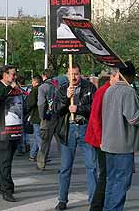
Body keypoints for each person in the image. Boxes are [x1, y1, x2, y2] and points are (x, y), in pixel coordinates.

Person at [54, 64, 97, 210]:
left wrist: (79, 108)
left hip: (85, 128)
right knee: (65, 167)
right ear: (67, 75)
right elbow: (56, 110)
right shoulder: (62, 89)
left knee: (92, 166)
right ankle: (62, 199)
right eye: (71, 74)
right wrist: (66, 98)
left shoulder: (90, 87)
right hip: (69, 129)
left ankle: (94, 201)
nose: (74, 77)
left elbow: (95, 108)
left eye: (76, 74)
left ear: (81, 74)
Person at [101, 62, 139, 211]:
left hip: (109, 143)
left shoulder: (109, 90)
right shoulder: (128, 92)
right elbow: (133, 118)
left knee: (111, 181)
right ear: (130, 76)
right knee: (121, 183)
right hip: (122, 145)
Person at [0, 65, 24, 202]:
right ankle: (7, 190)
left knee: (5, 160)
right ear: (5, 75)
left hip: (15, 129)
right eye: (12, 74)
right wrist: (10, 88)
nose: (15, 77)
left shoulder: (17, 88)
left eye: (15, 74)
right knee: (5, 161)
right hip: (2, 130)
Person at [85, 69, 119, 211]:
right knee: (105, 174)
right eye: (119, 77)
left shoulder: (111, 91)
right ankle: (96, 206)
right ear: (112, 77)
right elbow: (95, 117)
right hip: (100, 139)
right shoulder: (103, 92)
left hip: (107, 139)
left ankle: (102, 204)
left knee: (108, 173)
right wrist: (100, 140)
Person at [36, 69, 59, 171]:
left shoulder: (42, 87)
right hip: (58, 116)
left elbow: (41, 104)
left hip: (47, 117)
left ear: (44, 76)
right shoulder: (58, 86)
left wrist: (42, 117)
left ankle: (41, 163)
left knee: (45, 142)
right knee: (61, 143)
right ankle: (65, 164)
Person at [26, 75, 42, 162]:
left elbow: (30, 103)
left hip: (35, 115)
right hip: (43, 115)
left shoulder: (35, 90)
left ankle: (42, 153)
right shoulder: (44, 88)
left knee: (38, 136)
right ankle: (32, 155)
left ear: (35, 82)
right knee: (38, 136)